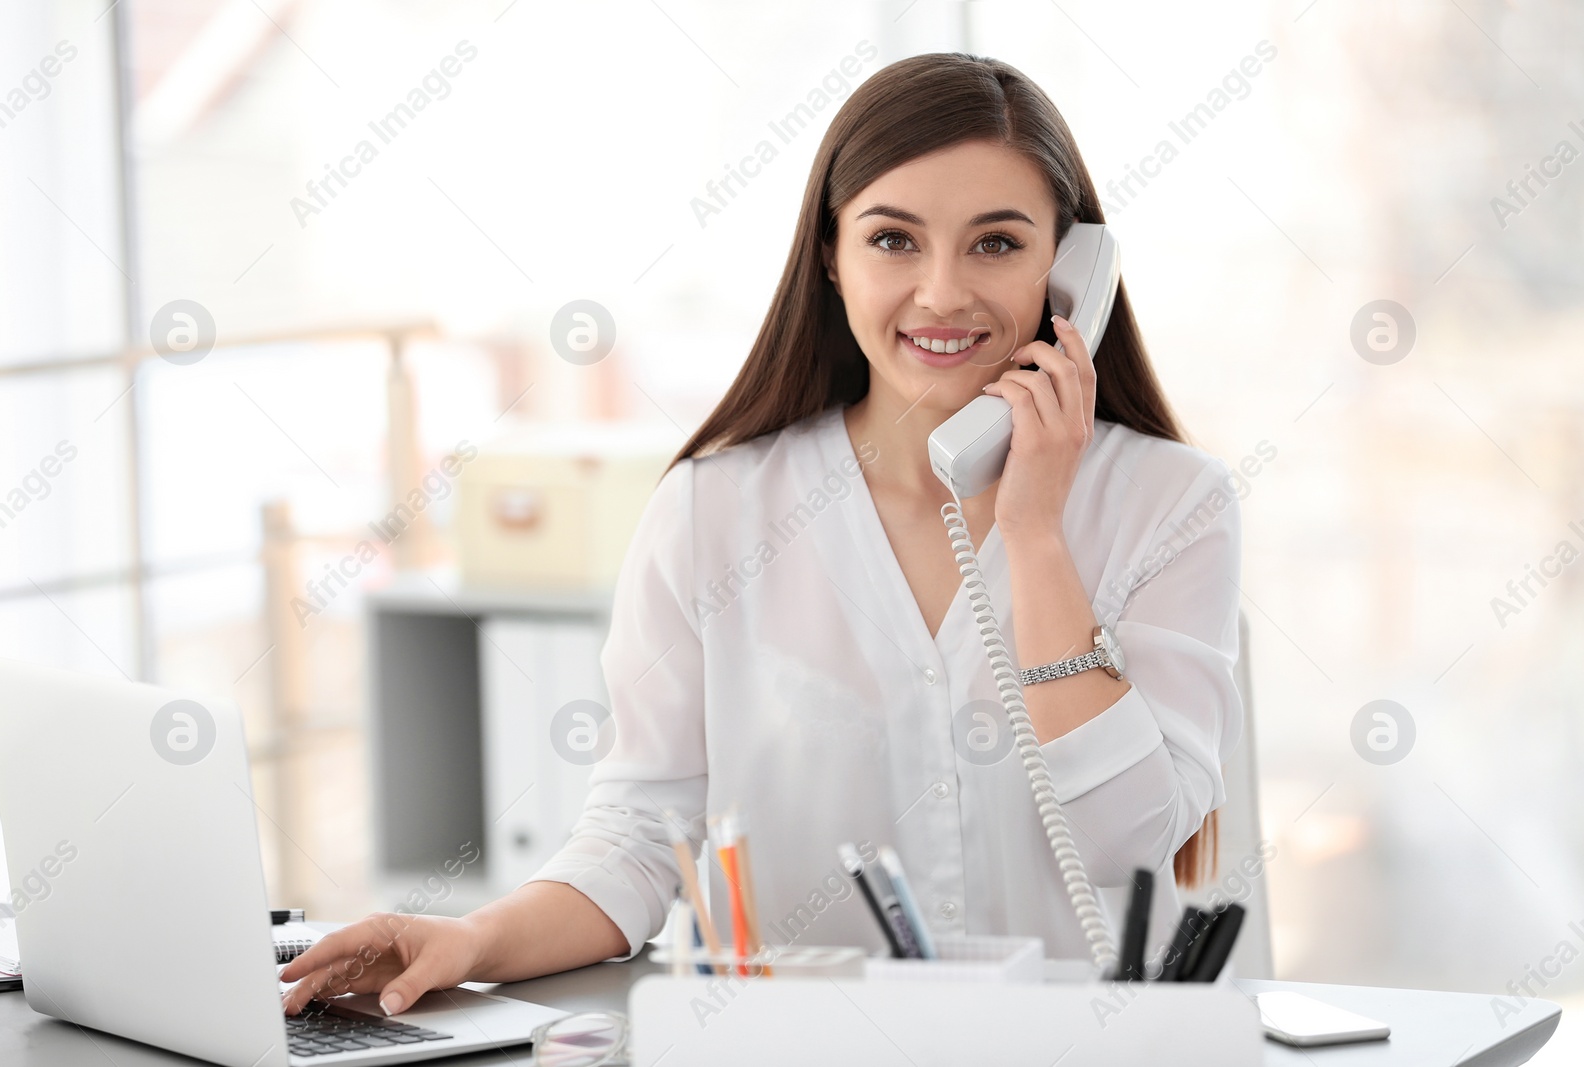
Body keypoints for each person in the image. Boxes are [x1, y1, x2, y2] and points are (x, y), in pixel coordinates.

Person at [281, 51, 1243, 1017]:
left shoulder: (1172, 503)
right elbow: (641, 831)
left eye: (996, 244)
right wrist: (468, 938)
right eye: (894, 240)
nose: (944, 292)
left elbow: (1132, 837)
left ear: (1070, 268)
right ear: (830, 255)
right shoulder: (715, 510)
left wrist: (1034, 532)